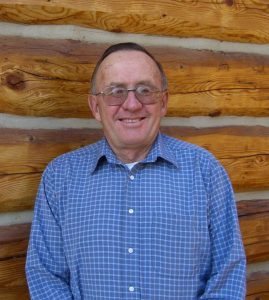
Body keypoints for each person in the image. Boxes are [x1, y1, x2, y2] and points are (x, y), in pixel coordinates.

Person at [26, 42, 246, 299]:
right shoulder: (60, 177)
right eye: (115, 91)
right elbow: (46, 276)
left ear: (163, 102)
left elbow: (228, 274)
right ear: (95, 107)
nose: (131, 104)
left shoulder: (205, 171)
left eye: (145, 90)